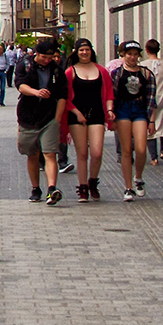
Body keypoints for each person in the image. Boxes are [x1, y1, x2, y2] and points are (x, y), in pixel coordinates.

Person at [15, 39, 65, 204]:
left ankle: (52, 189)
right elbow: (20, 86)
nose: (47, 60)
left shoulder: (57, 70)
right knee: (32, 154)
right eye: (44, 57)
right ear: (37, 54)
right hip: (27, 116)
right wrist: (36, 92)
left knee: (50, 153)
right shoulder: (25, 65)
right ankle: (36, 188)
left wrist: (57, 119)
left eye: (50, 57)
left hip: (48, 117)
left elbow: (62, 95)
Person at [62, 38, 111, 203]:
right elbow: (66, 97)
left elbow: (109, 92)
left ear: (91, 51)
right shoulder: (70, 72)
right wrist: (76, 113)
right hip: (77, 116)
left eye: (87, 49)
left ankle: (93, 181)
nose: (84, 52)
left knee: (97, 152)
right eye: (81, 50)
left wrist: (110, 110)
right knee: (82, 153)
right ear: (76, 52)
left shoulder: (101, 71)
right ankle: (82, 187)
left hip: (97, 114)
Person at [109, 41, 156, 202]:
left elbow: (151, 98)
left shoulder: (146, 73)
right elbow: (112, 95)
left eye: (135, 54)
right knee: (126, 150)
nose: (132, 57)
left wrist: (152, 120)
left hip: (140, 109)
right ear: (123, 55)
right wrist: (112, 115)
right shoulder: (116, 73)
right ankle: (128, 187)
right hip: (122, 109)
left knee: (141, 148)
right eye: (129, 54)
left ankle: (138, 177)